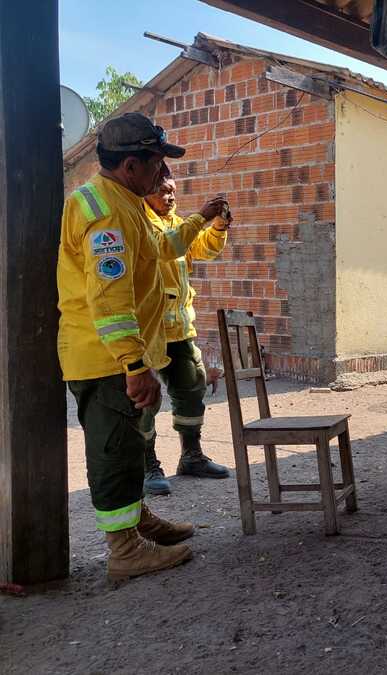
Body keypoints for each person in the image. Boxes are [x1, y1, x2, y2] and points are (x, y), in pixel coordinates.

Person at [58, 112, 228, 579]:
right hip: (106, 358)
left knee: (131, 447)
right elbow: (108, 297)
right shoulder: (106, 210)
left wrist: (202, 220)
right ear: (131, 165)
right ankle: (124, 550)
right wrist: (134, 364)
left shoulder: (127, 201)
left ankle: (137, 521)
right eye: (156, 163)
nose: (162, 174)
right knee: (114, 450)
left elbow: (164, 247)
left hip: (119, 355)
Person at [142, 174, 232, 496]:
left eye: (174, 192)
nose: (171, 198)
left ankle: (191, 456)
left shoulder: (175, 223)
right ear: (147, 192)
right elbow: (168, 247)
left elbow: (201, 249)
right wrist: (202, 216)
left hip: (179, 330)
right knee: (144, 401)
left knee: (191, 387)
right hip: (147, 332)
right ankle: (147, 464)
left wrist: (218, 227)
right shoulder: (142, 223)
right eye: (164, 192)